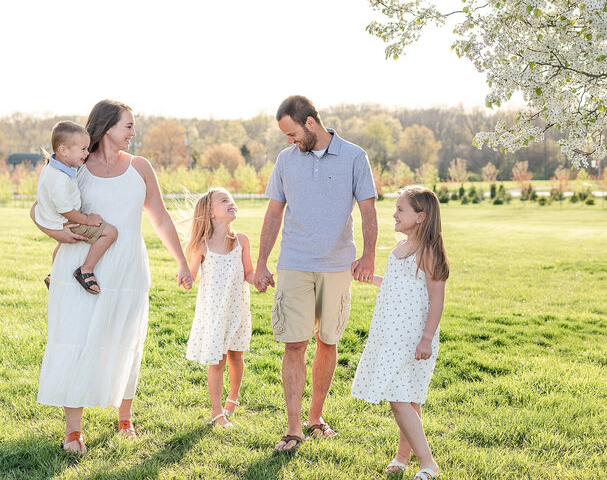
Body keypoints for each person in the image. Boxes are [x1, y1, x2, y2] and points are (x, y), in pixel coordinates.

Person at [32, 100, 193, 455]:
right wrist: (56, 235)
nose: (134, 133)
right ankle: (73, 432)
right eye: (129, 126)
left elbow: (161, 217)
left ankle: (125, 418)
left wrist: (181, 262)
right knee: (74, 340)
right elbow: (40, 208)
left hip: (128, 267)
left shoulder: (141, 168)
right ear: (107, 128)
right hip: (78, 267)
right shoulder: (76, 165)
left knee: (124, 340)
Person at [254, 94, 378, 453]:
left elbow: (368, 211)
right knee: (294, 343)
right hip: (294, 262)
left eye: (292, 134)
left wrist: (368, 256)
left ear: (310, 123)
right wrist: (262, 262)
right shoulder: (286, 160)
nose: (290, 142)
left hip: (337, 264)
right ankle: (294, 428)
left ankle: (315, 417)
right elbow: (274, 213)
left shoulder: (355, 156)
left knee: (328, 340)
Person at [350, 185, 448, 480]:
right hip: (390, 333)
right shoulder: (400, 248)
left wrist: (427, 338)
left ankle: (428, 462)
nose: (394, 213)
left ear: (421, 216)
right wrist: (370, 277)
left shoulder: (427, 252)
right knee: (409, 396)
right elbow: (397, 284)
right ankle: (402, 458)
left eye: (400, 209)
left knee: (398, 396)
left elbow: (436, 298)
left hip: (412, 336)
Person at [184, 187, 255, 429]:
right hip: (214, 312)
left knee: (236, 355)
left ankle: (232, 400)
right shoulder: (202, 245)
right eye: (224, 200)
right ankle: (217, 413)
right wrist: (185, 278)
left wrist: (261, 279)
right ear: (211, 213)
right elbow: (190, 277)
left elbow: (250, 273)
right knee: (218, 360)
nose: (231, 202)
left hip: (237, 309)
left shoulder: (241, 241)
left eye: (232, 199)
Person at [36, 120, 119, 294]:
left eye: (87, 148)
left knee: (60, 247)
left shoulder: (54, 167)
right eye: (83, 149)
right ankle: (86, 270)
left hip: (56, 218)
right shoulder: (59, 179)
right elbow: (65, 210)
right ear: (63, 150)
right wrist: (88, 219)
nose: (87, 153)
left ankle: (54, 274)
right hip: (66, 220)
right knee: (110, 232)